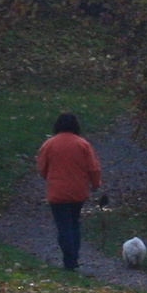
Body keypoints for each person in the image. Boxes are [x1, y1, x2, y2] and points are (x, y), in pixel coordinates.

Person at [36, 112, 101, 270]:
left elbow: (41, 168)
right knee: (74, 223)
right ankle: (74, 257)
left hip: (57, 192)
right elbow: (93, 168)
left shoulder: (49, 144)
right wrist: (95, 184)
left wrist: (50, 178)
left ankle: (68, 260)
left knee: (63, 225)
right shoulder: (83, 144)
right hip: (78, 191)